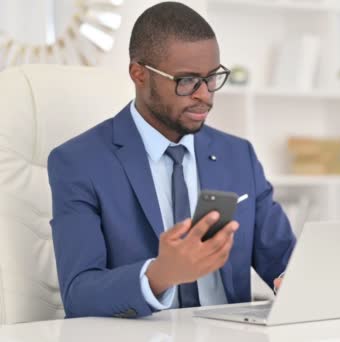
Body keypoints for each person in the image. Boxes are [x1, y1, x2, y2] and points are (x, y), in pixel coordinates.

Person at [47, 1, 296, 319]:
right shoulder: (79, 162)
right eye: (187, 81)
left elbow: (285, 258)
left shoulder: (238, 155)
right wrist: (160, 274)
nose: (205, 95)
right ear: (139, 74)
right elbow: (78, 295)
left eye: (212, 78)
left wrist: (295, 281)